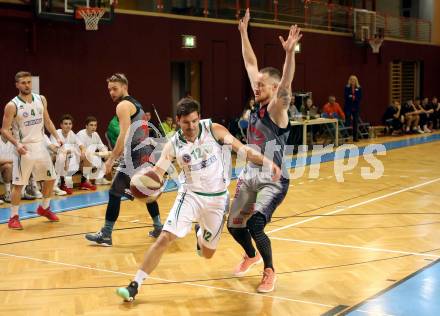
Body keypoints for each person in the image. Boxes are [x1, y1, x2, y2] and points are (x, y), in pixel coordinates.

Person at [115, 97, 281, 301]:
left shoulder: (214, 130)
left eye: (194, 121)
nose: (191, 126)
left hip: (218, 199)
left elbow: (243, 149)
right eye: (186, 122)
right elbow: (158, 171)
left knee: (207, 254)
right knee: (164, 238)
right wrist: (148, 186)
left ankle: (199, 231)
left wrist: (266, 162)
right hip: (190, 195)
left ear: (199, 118)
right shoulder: (173, 144)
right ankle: (135, 285)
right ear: (178, 121)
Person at [227, 9, 302, 293]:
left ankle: (269, 271)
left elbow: (287, 83)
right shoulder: (259, 98)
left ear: (273, 87)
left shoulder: (277, 107)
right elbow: (250, 62)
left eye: (261, 84)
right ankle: (250, 255)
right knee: (235, 226)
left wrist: (290, 53)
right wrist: (243, 32)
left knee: (256, 223)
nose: (255, 86)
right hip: (250, 174)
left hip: (273, 178)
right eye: (256, 84)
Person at [85, 73, 163, 245]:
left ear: (124, 87)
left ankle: (106, 234)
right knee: (146, 190)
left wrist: (111, 159)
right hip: (144, 153)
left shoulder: (122, 106)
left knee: (114, 192)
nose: (111, 92)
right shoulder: (136, 104)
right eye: (109, 89)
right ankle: (158, 227)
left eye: (115, 88)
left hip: (136, 156)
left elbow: (125, 134)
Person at [1, 71, 62, 229]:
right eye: (23, 82)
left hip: (40, 146)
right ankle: (13, 217)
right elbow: (4, 130)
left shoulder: (41, 99)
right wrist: (17, 144)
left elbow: (47, 121)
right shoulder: (12, 105)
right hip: (24, 149)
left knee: (50, 179)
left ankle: (44, 208)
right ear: (17, 85)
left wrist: (57, 136)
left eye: (29, 82)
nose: (27, 85)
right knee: (19, 185)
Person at [76, 116, 112, 185]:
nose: (93, 127)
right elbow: (84, 152)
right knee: (92, 158)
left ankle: (99, 179)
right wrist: (98, 154)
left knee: (108, 156)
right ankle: (86, 181)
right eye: (91, 125)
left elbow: (102, 146)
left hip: (92, 158)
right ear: (86, 126)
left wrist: (105, 153)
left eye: (95, 125)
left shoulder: (95, 134)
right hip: (80, 161)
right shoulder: (81, 134)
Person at [344, 75, 362, 142]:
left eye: (354, 80)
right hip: (348, 107)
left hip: (356, 107)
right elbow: (346, 96)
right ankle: (346, 136)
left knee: (355, 122)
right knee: (347, 122)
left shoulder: (359, 88)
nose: (352, 81)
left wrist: (352, 97)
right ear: (349, 80)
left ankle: (355, 137)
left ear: (356, 80)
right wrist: (352, 97)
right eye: (351, 80)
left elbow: (359, 97)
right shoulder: (347, 87)